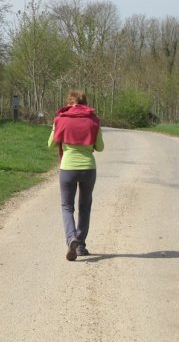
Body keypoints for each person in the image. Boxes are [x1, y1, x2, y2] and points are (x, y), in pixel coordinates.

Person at [48, 91, 104, 261]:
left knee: (67, 207)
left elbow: (51, 144)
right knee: (85, 207)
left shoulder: (60, 120)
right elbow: (100, 147)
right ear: (85, 103)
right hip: (88, 168)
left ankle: (71, 237)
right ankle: (80, 245)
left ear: (70, 102)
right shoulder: (93, 120)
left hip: (68, 168)